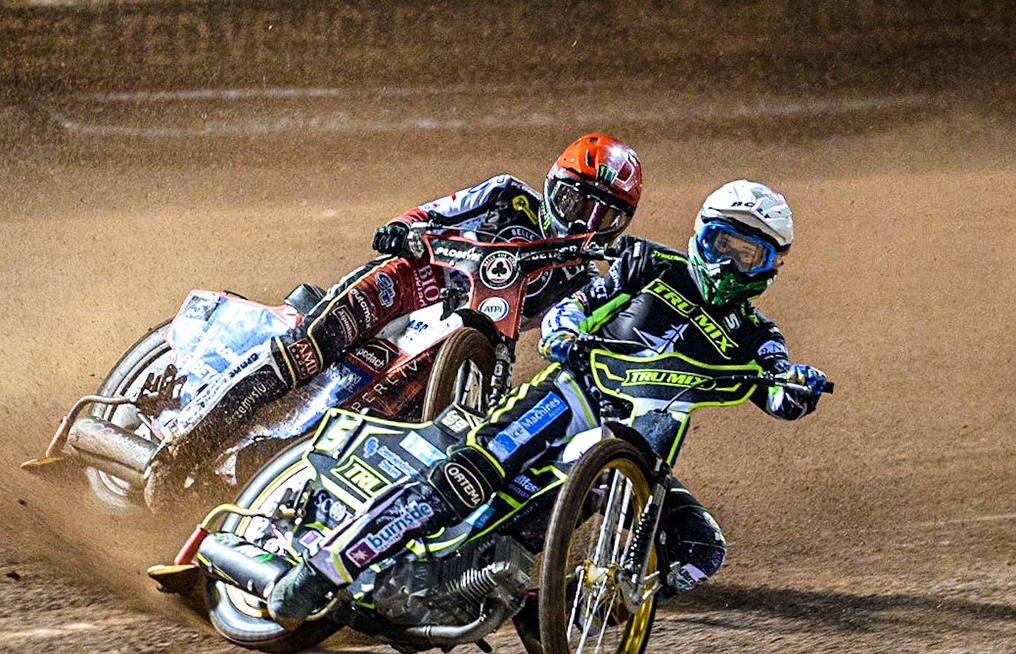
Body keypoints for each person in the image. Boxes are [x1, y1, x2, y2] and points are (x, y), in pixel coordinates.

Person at [267, 179, 828, 628]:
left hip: (635, 442)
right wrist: (565, 332)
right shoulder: (647, 264)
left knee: (701, 547)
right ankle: (328, 566)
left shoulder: (761, 334)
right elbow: (577, 305)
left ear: (770, 267)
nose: (727, 264)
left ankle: (542, 603)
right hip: (571, 395)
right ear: (700, 236)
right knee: (468, 476)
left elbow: (781, 390)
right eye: (720, 245)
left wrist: (797, 388)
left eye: (746, 254)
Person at [146, 133, 643, 506]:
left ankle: (267, 486)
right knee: (309, 349)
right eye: (577, 203)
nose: (584, 224)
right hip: (407, 284)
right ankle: (180, 449)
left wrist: (573, 339)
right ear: (554, 185)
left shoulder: (580, 277)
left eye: (605, 218)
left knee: (379, 421)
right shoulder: (505, 195)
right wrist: (402, 230)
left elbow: (565, 324)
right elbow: (433, 212)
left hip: (450, 342)